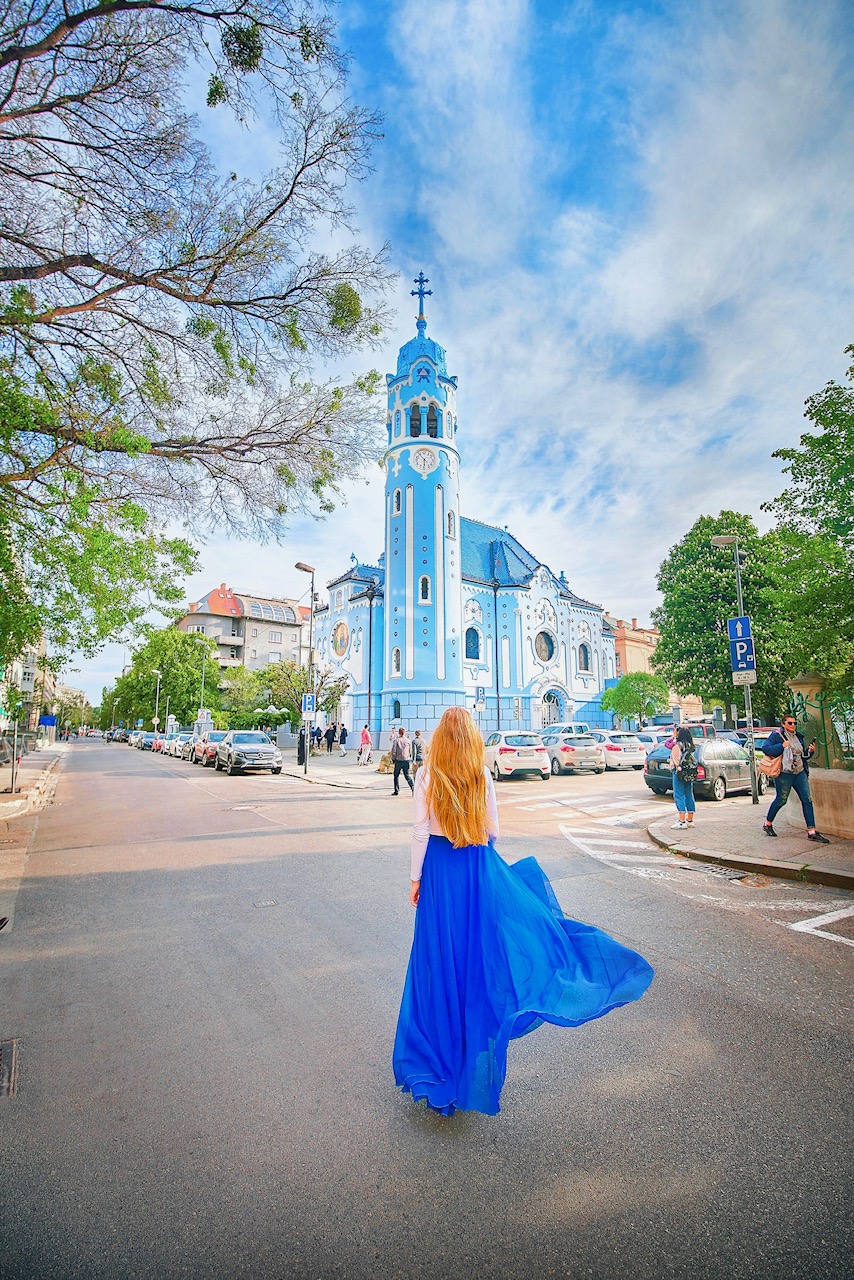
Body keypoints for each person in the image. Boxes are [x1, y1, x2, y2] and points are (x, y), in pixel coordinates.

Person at [393, 707, 654, 1116]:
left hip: (440, 873)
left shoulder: (427, 775)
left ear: (441, 738)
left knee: (438, 964)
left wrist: (415, 879)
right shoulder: (480, 776)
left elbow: (419, 831)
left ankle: (433, 1062)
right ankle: (468, 1063)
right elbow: (493, 830)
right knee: (478, 962)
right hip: (476, 868)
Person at [762, 715, 830, 843]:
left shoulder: (798, 736)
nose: (793, 725)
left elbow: (803, 756)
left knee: (807, 800)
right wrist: (782, 746)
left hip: (799, 772)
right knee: (781, 800)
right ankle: (768, 823)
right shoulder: (776, 736)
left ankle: (812, 831)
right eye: (790, 723)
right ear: (783, 724)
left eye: (794, 723)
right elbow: (766, 749)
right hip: (784, 773)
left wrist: (810, 752)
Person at [670, 726, 697, 829]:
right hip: (689, 773)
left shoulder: (677, 746)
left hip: (679, 773)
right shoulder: (691, 746)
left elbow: (676, 761)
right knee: (689, 794)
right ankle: (690, 820)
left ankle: (681, 821)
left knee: (679, 795)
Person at [391, 726, 414, 795]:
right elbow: (410, 751)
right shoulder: (408, 741)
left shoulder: (396, 741)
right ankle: (413, 787)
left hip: (398, 760)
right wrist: (409, 758)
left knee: (396, 775)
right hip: (406, 760)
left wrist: (393, 759)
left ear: (399, 733)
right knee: (407, 775)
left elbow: (394, 751)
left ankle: (396, 791)